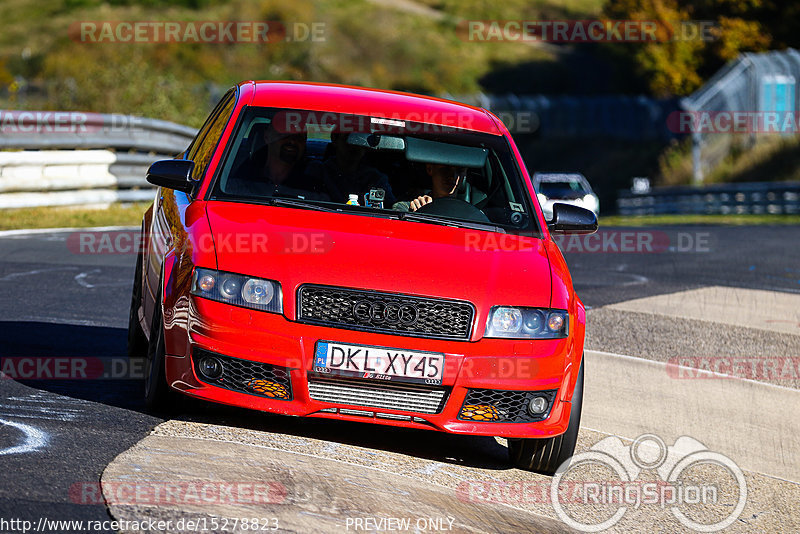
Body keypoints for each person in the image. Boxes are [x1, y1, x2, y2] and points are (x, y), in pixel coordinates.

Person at [226, 121, 324, 199]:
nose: (292, 141)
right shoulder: (240, 177)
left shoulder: (313, 189)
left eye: (299, 137)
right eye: (285, 135)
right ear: (267, 136)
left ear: (304, 143)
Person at [307, 131, 396, 205]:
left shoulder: (376, 180)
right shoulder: (317, 172)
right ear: (335, 138)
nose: (354, 145)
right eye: (349, 137)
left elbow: (392, 208)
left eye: (360, 140)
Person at [393, 163, 466, 212]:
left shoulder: (472, 215)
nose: (453, 176)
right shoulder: (407, 209)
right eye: (446, 169)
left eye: (460, 170)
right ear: (429, 168)